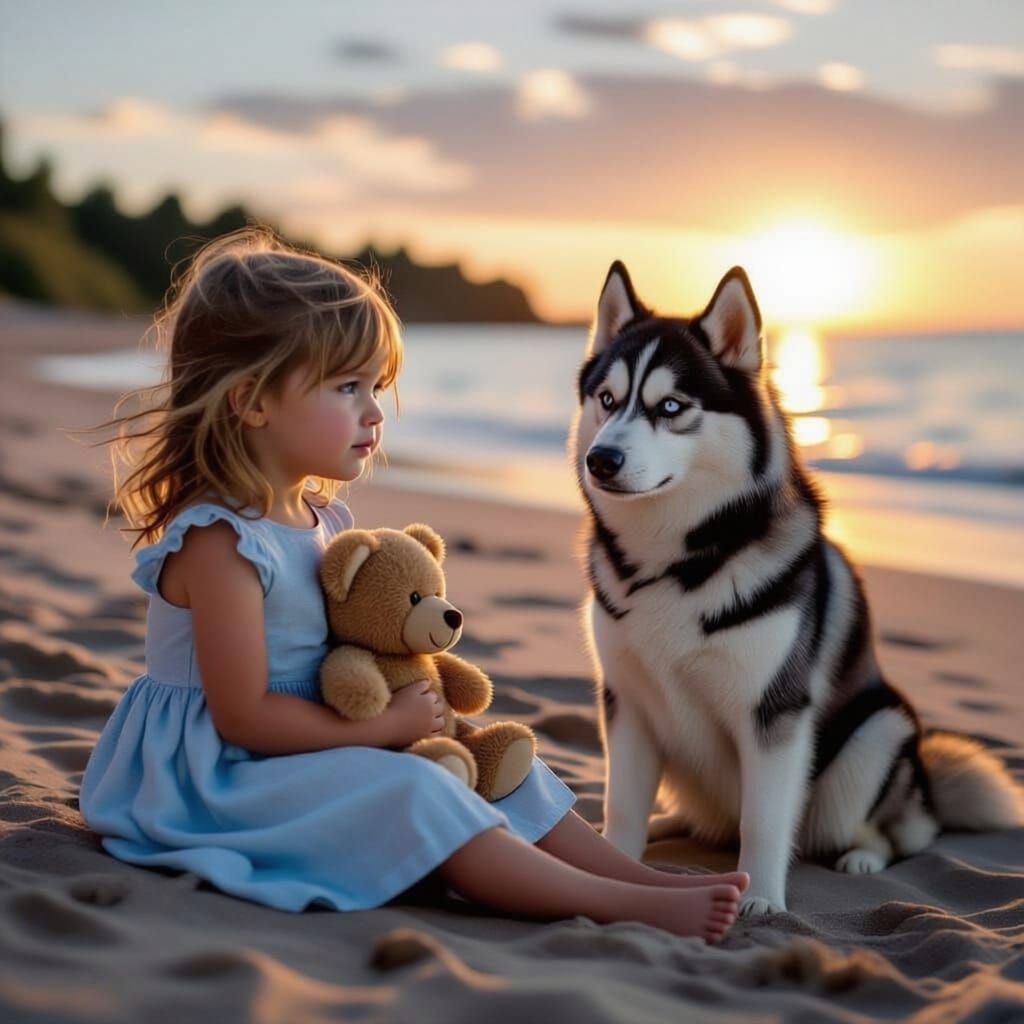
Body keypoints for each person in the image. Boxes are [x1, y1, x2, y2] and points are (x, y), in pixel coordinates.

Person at [78, 227, 745, 943]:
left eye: (376, 387)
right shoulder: (220, 542)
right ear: (252, 401)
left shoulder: (318, 514)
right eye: (346, 387)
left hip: (313, 740)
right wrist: (387, 729)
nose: (373, 413)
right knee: (419, 788)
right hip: (220, 778)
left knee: (499, 760)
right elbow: (243, 717)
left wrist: (408, 706)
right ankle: (617, 906)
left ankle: (634, 877)